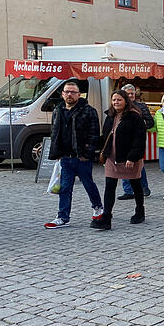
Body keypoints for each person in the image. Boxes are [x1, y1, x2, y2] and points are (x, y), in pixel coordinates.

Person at [44, 81, 104, 229]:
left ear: (79, 94)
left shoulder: (88, 110)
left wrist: (87, 153)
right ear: (62, 94)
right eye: (67, 91)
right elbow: (54, 132)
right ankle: (63, 217)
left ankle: (98, 207)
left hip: (81, 156)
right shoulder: (58, 110)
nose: (69, 94)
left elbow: (94, 134)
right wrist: (56, 152)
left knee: (88, 184)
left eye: (73, 92)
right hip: (65, 156)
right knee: (64, 188)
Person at [91, 90, 147, 230]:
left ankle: (140, 210)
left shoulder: (135, 116)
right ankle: (106, 217)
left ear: (125, 101)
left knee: (135, 184)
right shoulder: (110, 116)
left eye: (119, 100)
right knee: (110, 185)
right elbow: (105, 135)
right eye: (114, 100)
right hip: (112, 157)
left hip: (129, 157)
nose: (116, 102)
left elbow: (139, 138)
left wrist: (133, 157)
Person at [118, 84, 153, 200]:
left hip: (137, 141)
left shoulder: (141, 106)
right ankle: (128, 190)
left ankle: (144, 187)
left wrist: (140, 128)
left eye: (132, 93)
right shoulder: (119, 106)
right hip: (123, 141)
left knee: (138, 165)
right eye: (128, 93)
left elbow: (150, 122)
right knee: (123, 163)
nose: (130, 95)